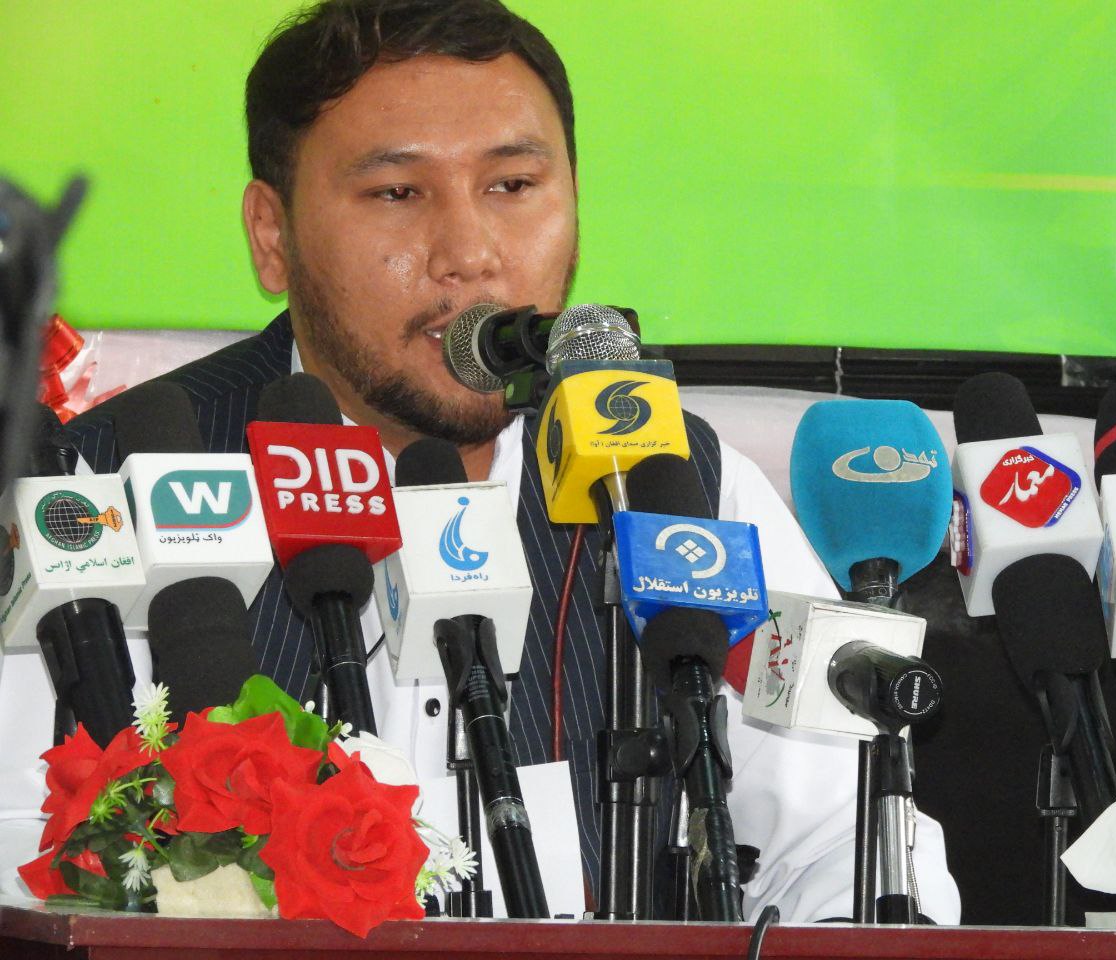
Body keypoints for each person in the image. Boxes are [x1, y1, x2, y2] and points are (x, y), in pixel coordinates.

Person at [0, 0, 959, 923]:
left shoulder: (678, 484)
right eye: (396, 193)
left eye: (512, 187)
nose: (468, 254)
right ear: (272, 236)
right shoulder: (104, 485)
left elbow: (846, 844)